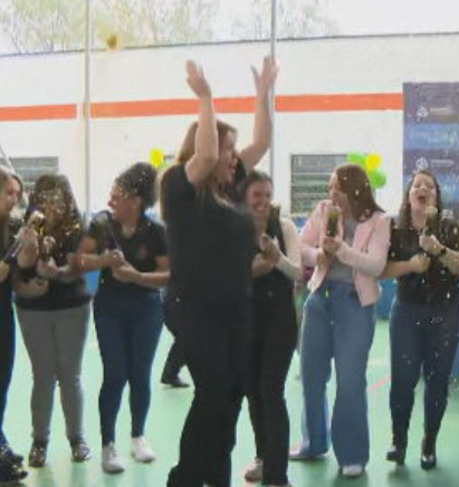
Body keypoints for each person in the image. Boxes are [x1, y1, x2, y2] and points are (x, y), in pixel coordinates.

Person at [163, 57, 277, 487]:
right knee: (213, 395)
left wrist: (262, 95)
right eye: (228, 150)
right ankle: (186, 478)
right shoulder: (180, 186)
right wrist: (206, 97)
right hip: (195, 310)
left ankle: (215, 475)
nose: (233, 157)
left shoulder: (228, 189)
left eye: (232, 150)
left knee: (230, 397)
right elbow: (208, 152)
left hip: (234, 310)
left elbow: (262, 140)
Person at [292, 163, 391, 478]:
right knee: (311, 375)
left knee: (349, 380)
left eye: (336, 187)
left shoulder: (380, 221)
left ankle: (352, 455)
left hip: (354, 304)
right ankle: (313, 442)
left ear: (354, 190)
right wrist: (318, 255)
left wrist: (343, 251)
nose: (330, 192)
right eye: (330, 186)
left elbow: (375, 266)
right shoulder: (323, 211)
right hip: (318, 300)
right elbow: (301, 246)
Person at [75, 163, 169, 473]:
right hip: (110, 309)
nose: (111, 200)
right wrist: (103, 260)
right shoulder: (101, 225)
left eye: (117, 195)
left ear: (137, 200)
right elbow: (79, 260)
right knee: (115, 374)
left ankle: (138, 436)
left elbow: (167, 274)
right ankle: (108, 444)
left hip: (146, 310)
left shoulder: (156, 232)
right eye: (111, 194)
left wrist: (137, 277)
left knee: (140, 374)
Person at [381, 170, 459, 470]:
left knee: (437, 381)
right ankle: (398, 441)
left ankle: (429, 442)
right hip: (407, 311)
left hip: (447, 312)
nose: (423, 189)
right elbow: (381, 270)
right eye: (417, 185)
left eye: (429, 186)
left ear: (437, 196)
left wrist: (439, 250)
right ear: (409, 196)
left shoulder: (449, 227)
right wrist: (409, 265)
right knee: (403, 381)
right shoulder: (395, 229)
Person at [13, 174, 92, 468]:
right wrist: (33, 264)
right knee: (43, 377)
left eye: (57, 196)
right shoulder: (25, 227)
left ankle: (77, 438)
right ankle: (40, 441)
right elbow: (18, 272)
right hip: (33, 310)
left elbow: (80, 265)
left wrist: (58, 272)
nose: (51, 202)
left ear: (67, 197)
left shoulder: (78, 227)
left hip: (72, 306)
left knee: (70, 377)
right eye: (45, 196)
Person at [240, 171, 301, 487]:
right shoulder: (234, 232)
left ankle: (277, 475)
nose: (263, 202)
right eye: (256, 196)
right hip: (245, 319)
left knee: (270, 390)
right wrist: (253, 268)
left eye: (267, 195)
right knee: (252, 391)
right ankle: (263, 455)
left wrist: (276, 258)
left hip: (279, 319)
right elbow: (229, 276)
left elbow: (297, 272)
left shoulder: (286, 227)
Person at [0, 167, 28, 483]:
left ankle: (1, 444)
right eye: (9, 193)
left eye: (18, 195)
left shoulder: (13, 228)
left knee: (2, 386)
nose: (15, 199)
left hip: (3, 316)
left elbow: (17, 277)